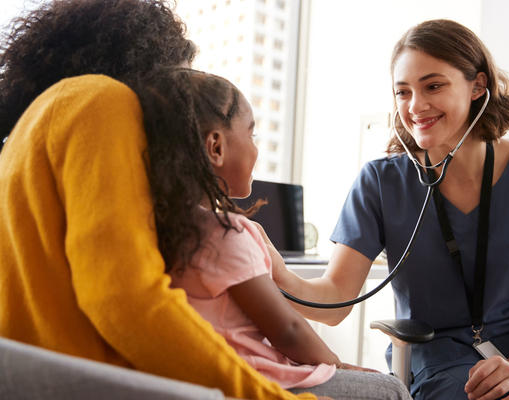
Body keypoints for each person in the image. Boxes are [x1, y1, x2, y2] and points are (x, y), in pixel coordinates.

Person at [268, 19, 509, 400]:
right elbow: (334, 301)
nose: (415, 106)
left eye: (433, 86)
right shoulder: (381, 183)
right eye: (402, 92)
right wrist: (272, 270)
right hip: (444, 357)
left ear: (477, 86)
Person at [0, 1, 318, 399]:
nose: (186, 105)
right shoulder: (102, 101)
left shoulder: (36, 125)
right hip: (99, 380)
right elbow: (126, 300)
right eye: (182, 85)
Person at [134, 66, 410, 400]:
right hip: (255, 378)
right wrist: (340, 366)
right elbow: (287, 330)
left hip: (199, 377)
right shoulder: (226, 234)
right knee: (390, 389)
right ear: (215, 148)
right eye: (251, 135)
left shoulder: (162, 227)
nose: (255, 148)